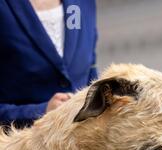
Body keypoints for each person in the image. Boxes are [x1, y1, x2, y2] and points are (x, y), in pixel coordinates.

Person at [0, 0, 97, 128]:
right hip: (25, 143)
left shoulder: (83, 3)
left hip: (83, 141)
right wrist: (41, 111)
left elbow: (91, 73)